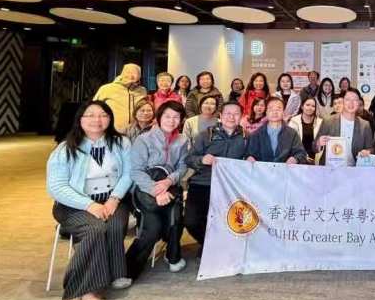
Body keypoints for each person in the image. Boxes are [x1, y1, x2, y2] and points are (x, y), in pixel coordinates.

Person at [46, 100, 133, 300]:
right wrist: (89, 205)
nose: (97, 120)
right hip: (74, 204)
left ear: (110, 118)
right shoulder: (65, 148)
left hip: (112, 199)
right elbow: (56, 187)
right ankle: (72, 295)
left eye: (103, 115)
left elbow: (128, 173)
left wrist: (114, 198)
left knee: (115, 224)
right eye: (90, 115)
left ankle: (93, 287)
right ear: (80, 119)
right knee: (95, 229)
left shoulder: (121, 142)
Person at [126, 100, 189, 279]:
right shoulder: (144, 139)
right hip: (145, 189)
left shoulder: (182, 140)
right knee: (153, 227)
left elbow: (183, 166)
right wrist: (157, 190)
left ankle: (173, 255)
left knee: (176, 218)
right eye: (167, 116)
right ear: (159, 117)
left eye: (176, 117)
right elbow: (136, 171)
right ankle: (128, 270)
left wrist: (169, 181)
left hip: (170, 187)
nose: (171, 120)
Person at [184, 102, 247, 253]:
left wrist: (250, 158)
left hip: (231, 187)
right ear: (220, 116)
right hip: (203, 183)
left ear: (241, 117)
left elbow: (253, 157)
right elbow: (189, 159)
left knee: (231, 221)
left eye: (236, 114)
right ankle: (210, 245)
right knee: (191, 221)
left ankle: (216, 249)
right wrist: (202, 160)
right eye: (228, 113)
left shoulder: (246, 137)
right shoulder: (206, 135)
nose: (231, 117)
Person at [315, 88, 374, 166]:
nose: (351, 103)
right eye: (348, 99)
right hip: (330, 168)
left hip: (353, 169)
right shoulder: (328, 121)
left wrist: (368, 152)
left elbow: (370, 148)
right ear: (343, 101)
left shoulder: (365, 125)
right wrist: (318, 143)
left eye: (355, 100)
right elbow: (314, 146)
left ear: (358, 103)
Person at [245, 97, 308, 163]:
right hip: (262, 169)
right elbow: (248, 153)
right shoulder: (256, 134)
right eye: (271, 109)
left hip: (285, 169)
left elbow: (301, 153)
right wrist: (249, 157)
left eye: (278, 109)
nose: (274, 112)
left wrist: (295, 159)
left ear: (283, 112)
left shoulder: (292, 133)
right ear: (266, 112)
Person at [93, 63, 147, 133]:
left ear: (139, 76)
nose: (131, 75)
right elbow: (93, 108)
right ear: (122, 73)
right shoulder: (106, 88)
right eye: (128, 72)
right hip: (113, 131)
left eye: (135, 73)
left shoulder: (142, 90)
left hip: (136, 131)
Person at [288, 97, 323, 164]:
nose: (310, 108)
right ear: (302, 106)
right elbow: (290, 143)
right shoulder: (293, 121)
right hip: (298, 158)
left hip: (316, 159)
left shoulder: (320, 122)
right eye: (307, 105)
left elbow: (321, 144)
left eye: (313, 106)